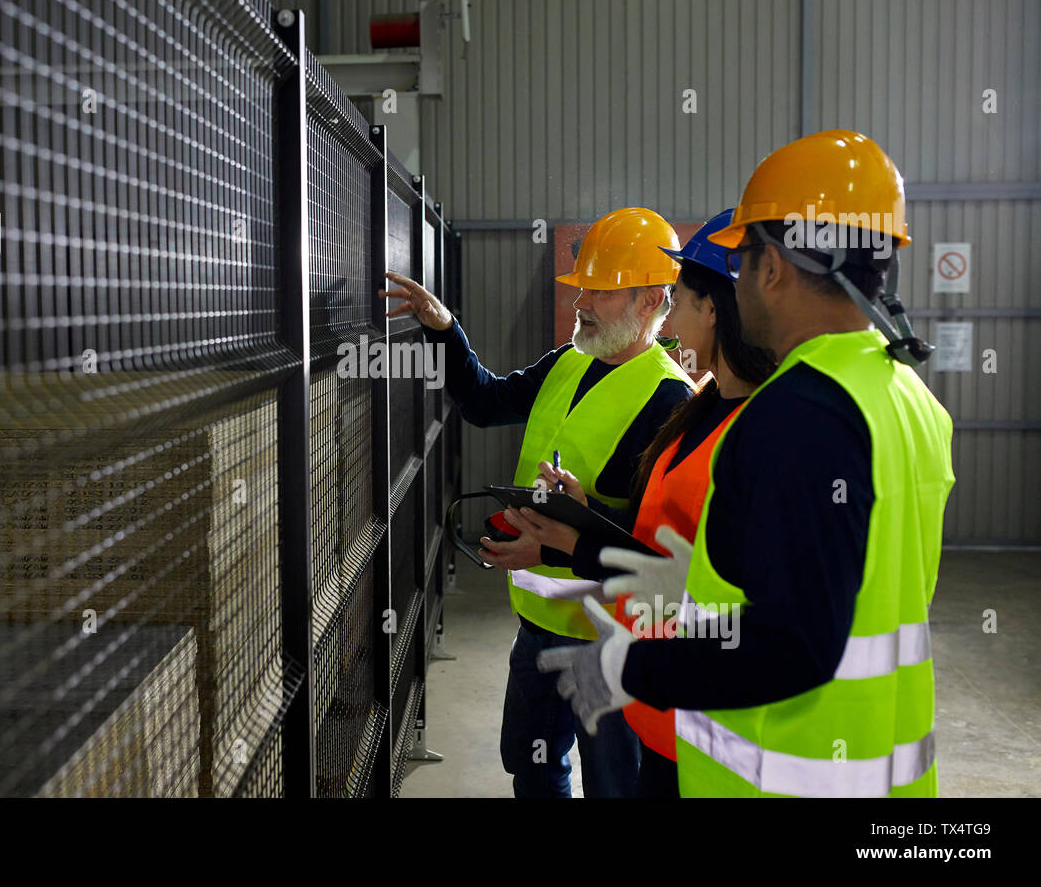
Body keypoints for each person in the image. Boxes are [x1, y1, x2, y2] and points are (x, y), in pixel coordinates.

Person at [537, 130, 955, 797]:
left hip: (787, 776)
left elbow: (792, 646)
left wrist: (628, 668)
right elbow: (843, 581)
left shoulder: (799, 413)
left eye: (745, 262)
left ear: (771, 269)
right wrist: (697, 585)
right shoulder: (904, 395)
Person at [380, 206, 695, 798]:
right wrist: (445, 328)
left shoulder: (670, 400)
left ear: (650, 301)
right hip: (537, 621)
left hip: (609, 636)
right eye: (582, 289)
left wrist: (578, 522)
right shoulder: (567, 363)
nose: (581, 304)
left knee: (613, 784)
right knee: (533, 766)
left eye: (599, 292)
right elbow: (483, 402)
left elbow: (656, 546)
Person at [503, 208, 777, 797]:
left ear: (714, 309)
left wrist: (577, 538)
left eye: (677, 297)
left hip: (678, 684)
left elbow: (687, 567)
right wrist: (576, 529)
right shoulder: (703, 409)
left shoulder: (733, 420)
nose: (670, 312)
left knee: (612, 781)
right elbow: (652, 541)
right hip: (649, 669)